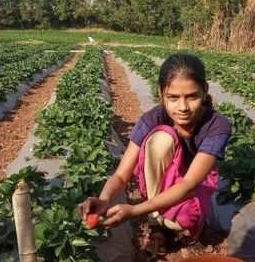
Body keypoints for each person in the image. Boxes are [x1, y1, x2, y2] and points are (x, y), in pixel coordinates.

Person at [78, 53, 232, 242]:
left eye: (192, 96)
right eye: (173, 97)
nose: (183, 107)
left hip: (191, 187)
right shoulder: (151, 119)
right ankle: (156, 222)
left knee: (184, 220)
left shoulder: (217, 125)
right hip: (161, 185)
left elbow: (188, 184)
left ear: (204, 91)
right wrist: (104, 200)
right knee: (161, 139)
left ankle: (192, 225)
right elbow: (121, 175)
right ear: (161, 93)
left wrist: (134, 210)